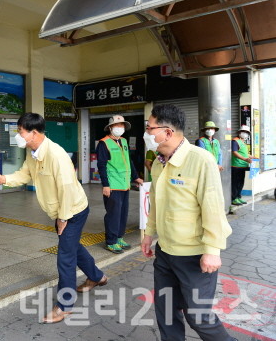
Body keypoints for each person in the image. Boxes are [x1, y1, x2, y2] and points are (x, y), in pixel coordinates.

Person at [0, 113, 106, 324]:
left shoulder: (56, 154)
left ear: (33, 133)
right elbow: (23, 175)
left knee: (65, 256)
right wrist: (1, 179)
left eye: (20, 131)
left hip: (73, 210)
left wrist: (63, 218)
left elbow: (66, 188)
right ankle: (97, 276)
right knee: (72, 246)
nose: (18, 136)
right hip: (61, 211)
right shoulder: (33, 152)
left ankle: (64, 305)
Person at [141, 104, 234, 341]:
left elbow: (213, 208)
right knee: (167, 312)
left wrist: (212, 250)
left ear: (167, 132)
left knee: (198, 315)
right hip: (165, 252)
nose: (147, 133)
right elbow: (156, 203)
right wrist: (149, 234)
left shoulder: (200, 160)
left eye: (149, 128)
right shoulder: (159, 162)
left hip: (193, 255)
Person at [96, 115, 143, 254]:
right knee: (113, 214)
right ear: (110, 127)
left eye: (122, 125)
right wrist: (105, 185)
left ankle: (119, 237)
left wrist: (136, 177)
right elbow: (102, 165)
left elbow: (129, 161)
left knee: (123, 213)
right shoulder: (104, 143)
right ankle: (111, 241)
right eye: (117, 125)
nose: (120, 128)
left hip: (125, 185)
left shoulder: (123, 141)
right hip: (113, 185)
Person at [231, 125, 254, 205]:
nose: (245, 134)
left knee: (241, 183)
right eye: (243, 132)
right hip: (236, 166)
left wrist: (253, 157)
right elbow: (235, 152)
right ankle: (234, 198)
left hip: (243, 166)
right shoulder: (235, 141)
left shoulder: (243, 142)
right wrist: (245, 159)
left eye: (247, 132)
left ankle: (238, 197)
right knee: (235, 183)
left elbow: (246, 154)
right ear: (239, 132)